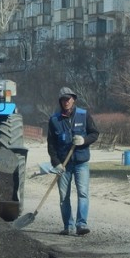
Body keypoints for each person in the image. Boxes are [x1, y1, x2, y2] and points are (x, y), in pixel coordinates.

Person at [47, 86, 99, 236]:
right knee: (64, 197)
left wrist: (84, 140)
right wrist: (56, 163)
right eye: (63, 99)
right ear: (60, 102)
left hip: (81, 163)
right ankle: (68, 226)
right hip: (63, 165)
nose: (66, 101)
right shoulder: (54, 120)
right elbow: (51, 145)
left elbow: (95, 133)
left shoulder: (84, 115)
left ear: (73, 100)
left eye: (68, 99)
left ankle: (81, 224)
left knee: (83, 193)